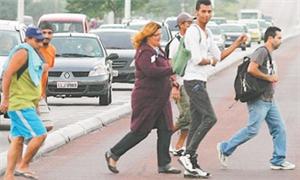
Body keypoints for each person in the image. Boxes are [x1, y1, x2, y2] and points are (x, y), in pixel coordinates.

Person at [177, 0, 247, 178]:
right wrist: (210, 60)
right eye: (203, 11)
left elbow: (219, 56)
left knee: (197, 120)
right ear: (196, 12)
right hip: (193, 81)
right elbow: (197, 59)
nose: (206, 15)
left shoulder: (206, 32)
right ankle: (187, 153)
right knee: (210, 118)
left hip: (201, 81)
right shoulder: (193, 31)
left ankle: (190, 164)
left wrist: (236, 44)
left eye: (209, 11)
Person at [104, 21, 181, 175]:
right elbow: (151, 71)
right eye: (155, 35)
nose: (159, 38)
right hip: (147, 99)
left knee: (166, 129)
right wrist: (172, 69)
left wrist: (173, 81)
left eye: (160, 35)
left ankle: (164, 164)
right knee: (140, 131)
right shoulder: (144, 52)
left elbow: (164, 68)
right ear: (147, 36)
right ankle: (113, 153)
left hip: (161, 99)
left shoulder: (157, 50)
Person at [216, 26, 295, 170]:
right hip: (259, 99)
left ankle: (278, 160)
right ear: (270, 38)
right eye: (279, 38)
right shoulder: (261, 51)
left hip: (269, 100)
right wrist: (269, 77)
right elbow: (251, 69)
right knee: (252, 130)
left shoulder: (269, 53)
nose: (280, 41)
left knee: (280, 128)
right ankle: (224, 147)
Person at [1, 27, 47, 180]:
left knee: (18, 140)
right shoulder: (23, 52)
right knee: (40, 134)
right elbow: (7, 74)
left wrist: (36, 105)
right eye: (37, 40)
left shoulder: (33, 54)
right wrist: (5, 98)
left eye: (42, 41)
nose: (40, 43)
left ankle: (8, 175)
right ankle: (23, 165)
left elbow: (31, 83)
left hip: (27, 103)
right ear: (27, 39)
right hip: (20, 104)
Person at [168, 12, 193, 157]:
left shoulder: (190, 40)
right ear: (182, 25)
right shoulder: (175, 42)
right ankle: (165, 137)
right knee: (186, 115)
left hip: (190, 83)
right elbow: (171, 65)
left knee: (190, 118)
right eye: (188, 23)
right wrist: (174, 86)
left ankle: (179, 146)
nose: (191, 25)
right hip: (180, 84)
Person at [38, 22, 56, 132]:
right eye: (43, 32)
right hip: (28, 95)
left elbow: (46, 73)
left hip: (40, 95)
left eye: (49, 33)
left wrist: (44, 96)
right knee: (44, 128)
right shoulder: (33, 49)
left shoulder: (52, 50)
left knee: (46, 126)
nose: (46, 36)